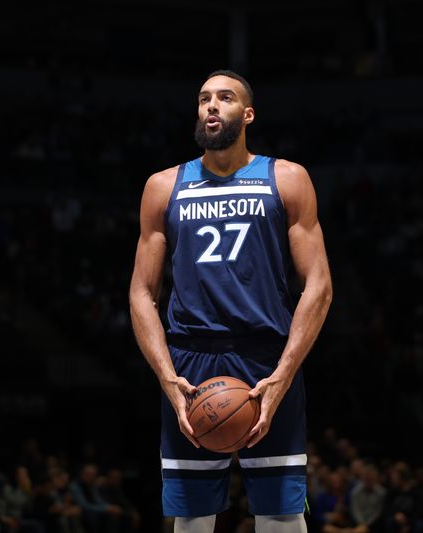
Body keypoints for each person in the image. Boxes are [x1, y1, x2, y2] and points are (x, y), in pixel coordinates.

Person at [129, 69, 333, 533]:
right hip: (191, 362)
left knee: (281, 514)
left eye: (224, 97)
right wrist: (167, 378)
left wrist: (283, 375)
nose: (211, 106)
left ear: (248, 113)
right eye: (203, 99)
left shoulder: (286, 178)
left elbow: (318, 285)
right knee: (193, 518)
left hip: (265, 357)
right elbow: (142, 292)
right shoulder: (164, 186)